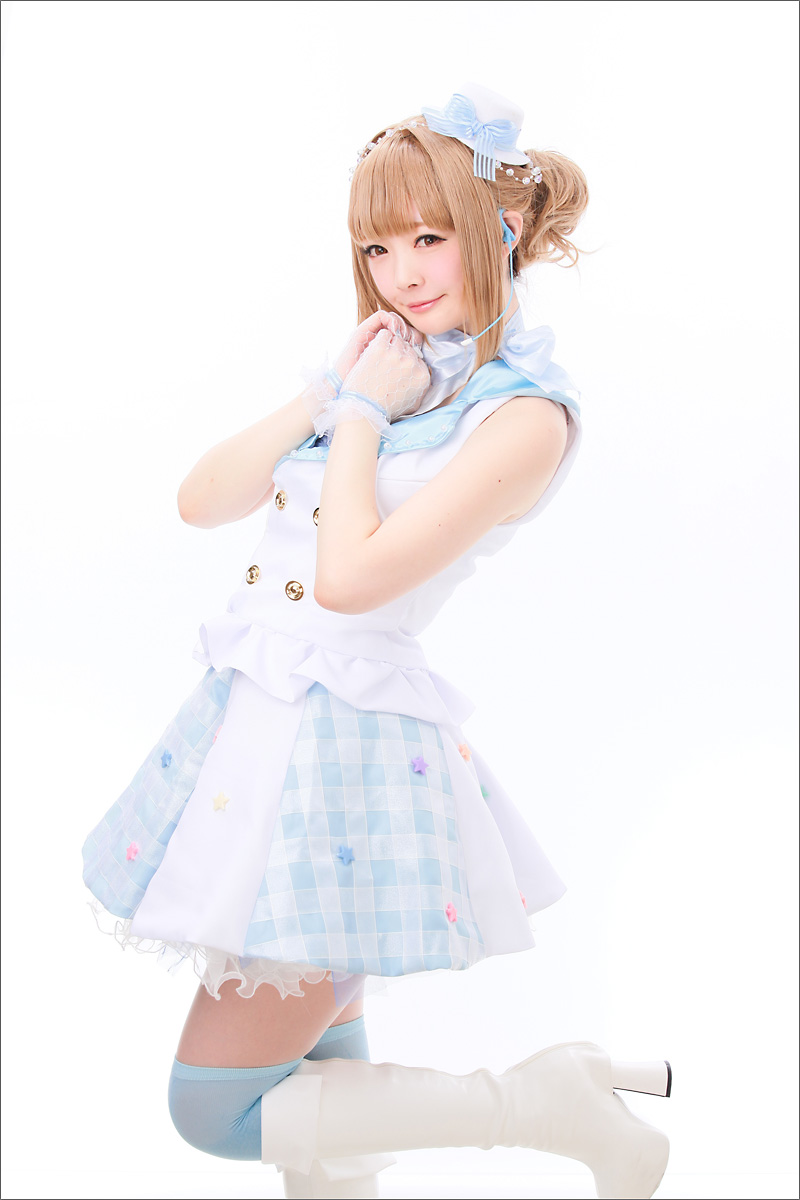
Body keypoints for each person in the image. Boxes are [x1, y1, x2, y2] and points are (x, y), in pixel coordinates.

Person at [82, 83, 671, 1199]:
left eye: (428, 237)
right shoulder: (393, 373)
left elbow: (349, 583)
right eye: (376, 245)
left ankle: (544, 1100)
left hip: (343, 759)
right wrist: (331, 391)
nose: (400, 271)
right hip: (263, 739)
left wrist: (357, 416)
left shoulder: (523, 417)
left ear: (500, 229)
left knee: (216, 1108)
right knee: (319, 1097)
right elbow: (201, 501)